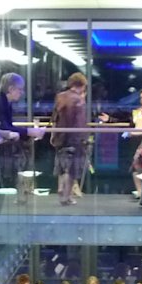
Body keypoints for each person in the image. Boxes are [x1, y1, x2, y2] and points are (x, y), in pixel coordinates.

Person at [51, 72, 89, 205]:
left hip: (60, 135)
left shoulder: (60, 96)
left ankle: (60, 187)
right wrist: (84, 138)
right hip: (74, 137)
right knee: (72, 168)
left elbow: (55, 117)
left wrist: (54, 134)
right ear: (82, 85)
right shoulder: (78, 100)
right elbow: (80, 122)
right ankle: (67, 197)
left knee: (62, 165)